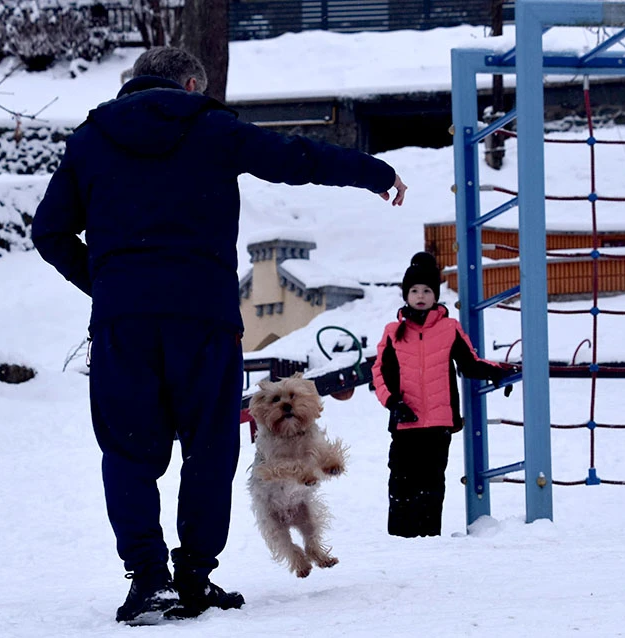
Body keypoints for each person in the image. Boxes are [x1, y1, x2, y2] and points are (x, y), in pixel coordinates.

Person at [32, 46, 407, 625]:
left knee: (129, 451)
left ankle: (147, 578)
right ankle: (194, 574)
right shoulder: (211, 128)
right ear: (189, 82)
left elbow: (49, 232)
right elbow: (297, 157)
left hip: (122, 325)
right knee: (210, 447)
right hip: (203, 320)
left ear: (135, 82)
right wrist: (371, 171)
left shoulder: (90, 140)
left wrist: (109, 286)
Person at [371, 251, 513, 538]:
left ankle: (428, 538)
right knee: (400, 482)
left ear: (435, 294)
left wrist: (499, 370)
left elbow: (470, 363)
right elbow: (379, 372)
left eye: (426, 290)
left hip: (438, 424)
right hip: (405, 421)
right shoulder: (393, 331)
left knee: (432, 483)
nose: (420, 296)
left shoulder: (450, 328)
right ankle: (399, 540)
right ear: (405, 295)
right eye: (414, 290)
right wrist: (392, 403)